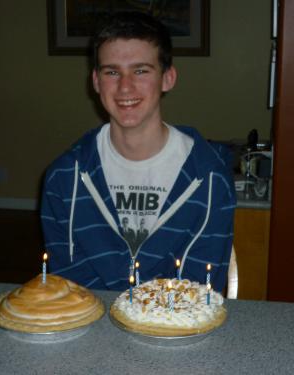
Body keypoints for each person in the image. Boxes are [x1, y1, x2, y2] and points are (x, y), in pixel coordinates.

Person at [41, 11, 236, 292]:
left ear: (168, 79)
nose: (125, 87)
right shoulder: (63, 178)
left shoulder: (209, 178)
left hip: (172, 329)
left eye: (141, 70)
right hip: (91, 328)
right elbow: (68, 285)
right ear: (96, 82)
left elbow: (198, 291)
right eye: (112, 72)